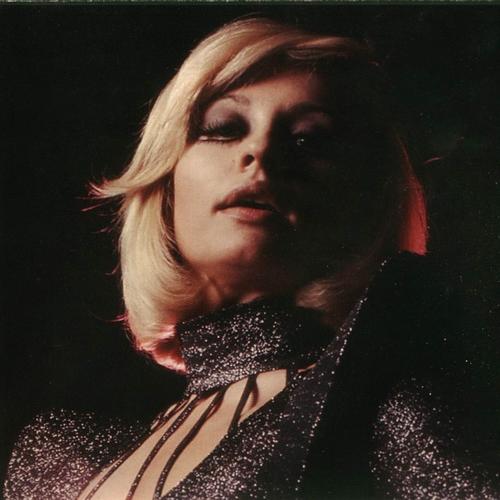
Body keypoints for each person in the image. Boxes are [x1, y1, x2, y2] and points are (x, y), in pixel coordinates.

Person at [4, 17, 497, 500]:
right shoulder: (56, 455)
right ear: (166, 184)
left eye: (309, 139)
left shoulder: (389, 415)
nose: (261, 151)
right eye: (223, 128)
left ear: (365, 205)